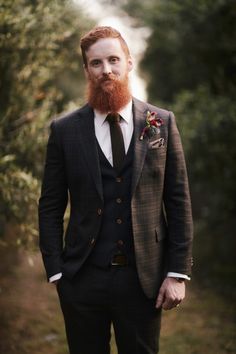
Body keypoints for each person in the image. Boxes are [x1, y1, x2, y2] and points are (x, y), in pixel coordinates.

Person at [38, 26, 193, 354]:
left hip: (143, 281)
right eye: (96, 63)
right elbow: (50, 205)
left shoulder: (158, 122)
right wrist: (56, 272)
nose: (106, 69)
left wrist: (177, 272)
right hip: (81, 279)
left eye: (113, 60)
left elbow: (178, 200)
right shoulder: (65, 130)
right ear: (86, 70)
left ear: (128, 63)